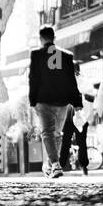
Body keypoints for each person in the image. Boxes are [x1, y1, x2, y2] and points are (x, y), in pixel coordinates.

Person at [28, 24, 82, 178]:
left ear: (41, 39)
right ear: (54, 38)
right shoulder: (66, 56)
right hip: (62, 102)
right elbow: (71, 81)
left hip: (43, 101)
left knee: (47, 133)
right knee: (57, 134)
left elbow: (33, 79)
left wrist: (32, 101)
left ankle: (55, 165)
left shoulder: (36, 55)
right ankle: (52, 164)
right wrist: (77, 102)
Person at [60, 65, 95, 175]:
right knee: (66, 141)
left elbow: (91, 97)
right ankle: (61, 165)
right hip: (68, 116)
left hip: (80, 115)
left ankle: (83, 166)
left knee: (79, 141)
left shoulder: (84, 81)